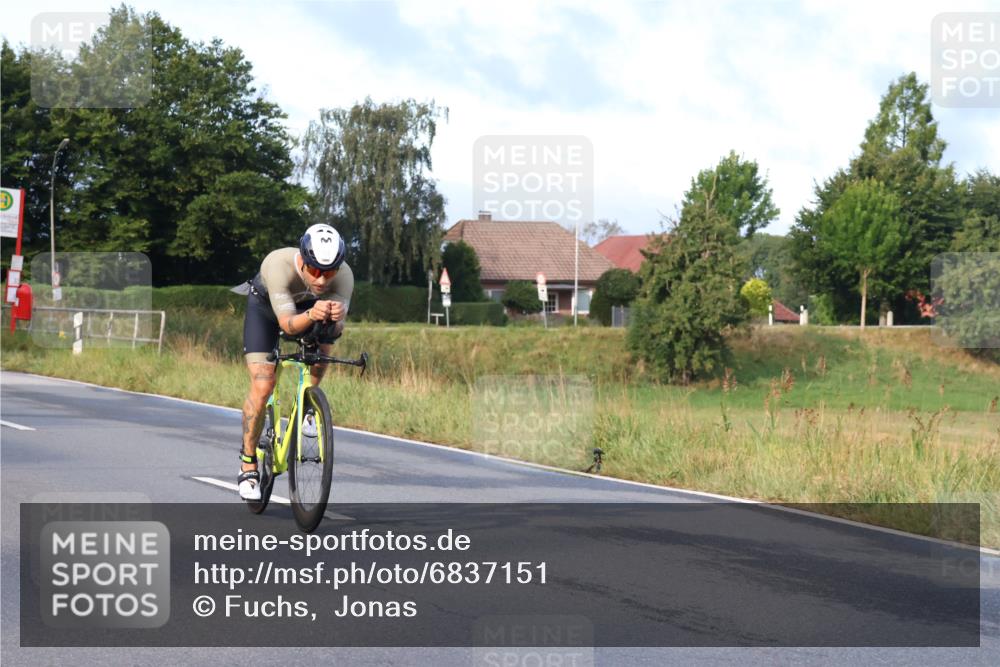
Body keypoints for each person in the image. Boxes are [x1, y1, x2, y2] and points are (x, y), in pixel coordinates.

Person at [237, 223, 354, 500]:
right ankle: (248, 463)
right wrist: (314, 314)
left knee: (326, 337)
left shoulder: (345, 275)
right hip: (267, 310)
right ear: (302, 259)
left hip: (310, 310)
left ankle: (308, 407)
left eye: (329, 272)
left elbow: (337, 332)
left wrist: (336, 320)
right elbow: (288, 325)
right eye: (314, 270)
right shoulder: (278, 265)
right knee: (263, 383)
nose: (322, 280)